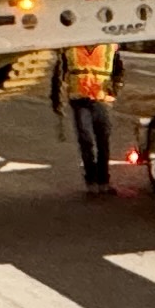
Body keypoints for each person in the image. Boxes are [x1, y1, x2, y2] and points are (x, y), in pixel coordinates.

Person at [58, 35, 118, 194]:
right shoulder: (71, 48)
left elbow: (118, 70)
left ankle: (103, 181)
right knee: (86, 140)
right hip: (79, 101)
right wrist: (58, 98)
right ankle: (91, 181)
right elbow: (60, 73)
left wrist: (115, 90)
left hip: (100, 100)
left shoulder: (108, 47)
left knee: (103, 141)